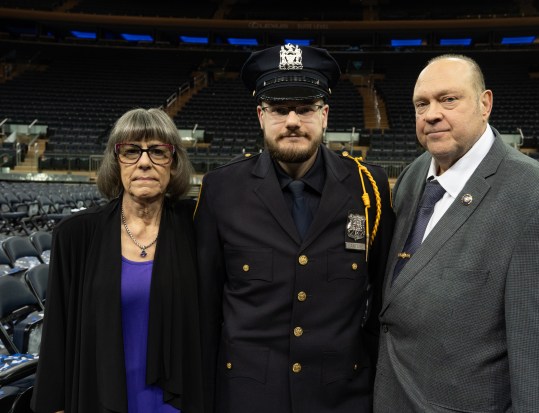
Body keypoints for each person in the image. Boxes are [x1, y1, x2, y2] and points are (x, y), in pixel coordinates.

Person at [374, 54, 539, 412]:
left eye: (448, 99)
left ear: (485, 103)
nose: (431, 114)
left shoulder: (536, 201)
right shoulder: (414, 175)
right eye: (421, 104)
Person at [194, 43, 394, 413]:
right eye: (279, 109)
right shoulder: (221, 190)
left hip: (342, 398)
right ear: (260, 115)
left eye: (305, 109)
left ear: (325, 115)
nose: (292, 121)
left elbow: (381, 301)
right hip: (248, 399)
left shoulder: (368, 187)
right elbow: (206, 312)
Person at [32, 108, 205, 413]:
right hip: (99, 396)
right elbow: (57, 333)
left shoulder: (198, 228)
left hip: (177, 400)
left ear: (174, 162)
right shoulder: (76, 235)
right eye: (131, 151)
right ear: (117, 162)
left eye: (158, 151)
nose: (144, 162)